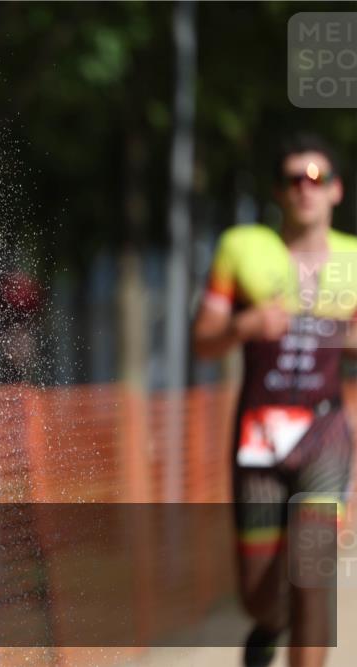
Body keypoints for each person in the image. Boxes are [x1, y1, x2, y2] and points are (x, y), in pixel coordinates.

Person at [193, 132, 355, 667]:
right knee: (259, 592)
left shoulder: (355, 260)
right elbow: (203, 341)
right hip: (259, 437)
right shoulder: (243, 248)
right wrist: (246, 324)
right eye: (293, 180)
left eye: (317, 178)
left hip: (325, 434)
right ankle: (270, 621)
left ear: (336, 190)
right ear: (279, 192)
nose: (305, 188)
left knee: (313, 577)